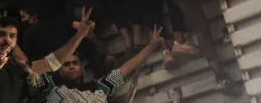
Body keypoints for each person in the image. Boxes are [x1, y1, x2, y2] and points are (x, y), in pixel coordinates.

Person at [33, 25, 164, 103]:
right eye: (66, 64)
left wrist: (151, 46)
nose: (72, 66)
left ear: (82, 69)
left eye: (75, 63)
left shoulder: (97, 89)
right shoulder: (50, 88)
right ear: (58, 69)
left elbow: (124, 70)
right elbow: (31, 69)